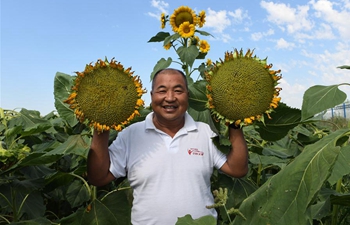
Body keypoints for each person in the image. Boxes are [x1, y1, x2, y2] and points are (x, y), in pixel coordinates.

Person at [87, 68, 248, 225]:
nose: (170, 98)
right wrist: (101, 125)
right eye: (162, 90)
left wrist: (234, 121)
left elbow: (237, 169)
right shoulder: (130, 135)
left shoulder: (205, 132)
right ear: (151, 96)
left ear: (188, 96)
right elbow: (98, 178)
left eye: (178, 91)